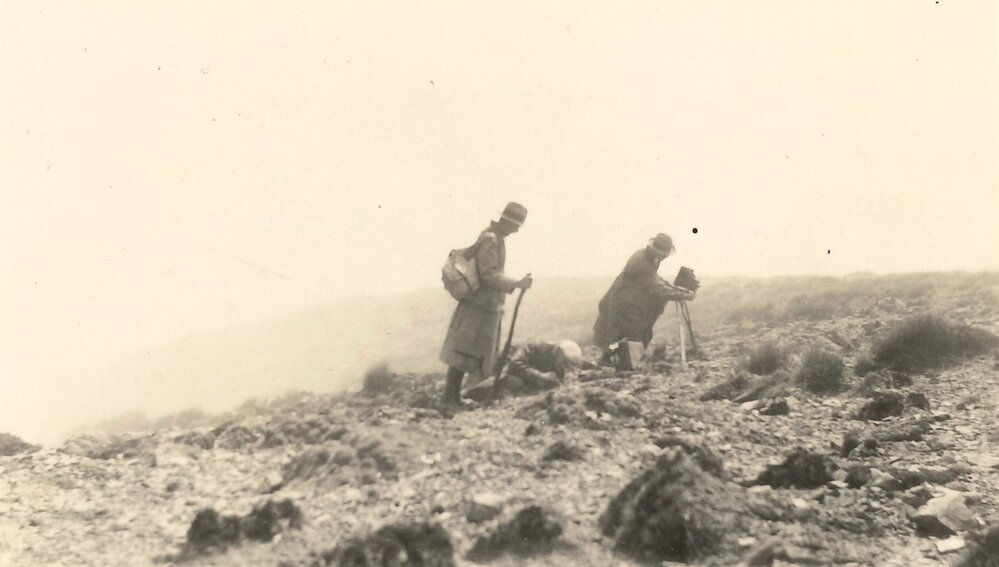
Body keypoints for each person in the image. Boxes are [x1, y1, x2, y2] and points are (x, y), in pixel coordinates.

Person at [439, 202, 533, 405]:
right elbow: (489, 275)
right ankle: (449, 399)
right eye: (517, 225)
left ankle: (453, 397)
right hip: (479, 307)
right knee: (463, 352)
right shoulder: (491, 240)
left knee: (467, 352)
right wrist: (516, 283)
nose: (517, 230)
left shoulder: (495, 238)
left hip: (484, 306)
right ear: (508, 222)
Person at [593, 233, 695, 354]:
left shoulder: (649, 257)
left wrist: (674, 288)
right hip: (622, 305)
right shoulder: (641, 262)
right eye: (663, 254)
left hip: (630, 304)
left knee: (632, 338)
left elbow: (656, 279)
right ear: (655, 250)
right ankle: (618, 363)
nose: (665, 257)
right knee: (620, 339)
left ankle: (625, 361)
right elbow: (657, 287)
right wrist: (683, 294)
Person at [462, 340, 583, 401]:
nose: (564, 367)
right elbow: (514, 364)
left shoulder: (557, 358)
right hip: (504, 367)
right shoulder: (536, 346)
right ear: (557, 353)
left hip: (523, 372)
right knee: (515, 382)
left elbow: (559, 376)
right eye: (563, 363)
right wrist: (539, 376)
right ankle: (476, 392)